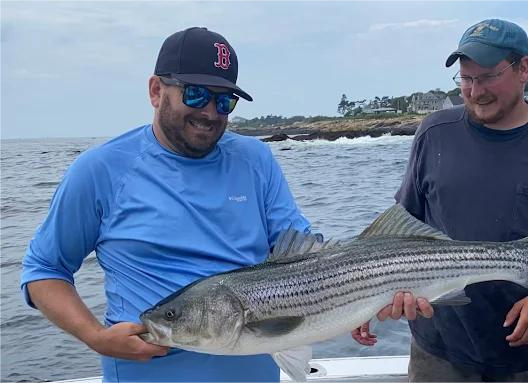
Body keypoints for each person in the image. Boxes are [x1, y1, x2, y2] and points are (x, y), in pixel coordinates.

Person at [20, 27, 311, 383]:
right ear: (156, 91)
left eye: (224, 101)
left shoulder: (256, 159)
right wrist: (95, 337)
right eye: (196, 94)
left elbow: (304, 257)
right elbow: (44, 269)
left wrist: (371, 299)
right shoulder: (101, 170)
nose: (210, 113)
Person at [353, 19, 528, 382]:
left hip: (527, 347)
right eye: (466, 79)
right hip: (439, 346)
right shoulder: (433, 133)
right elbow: (397, 231)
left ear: (523, 69)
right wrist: (360, 299)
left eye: (489, 77)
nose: (476, 92)